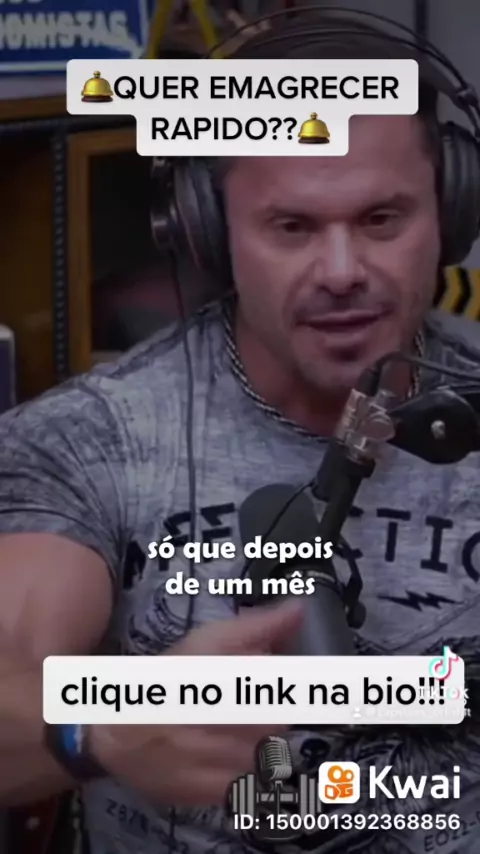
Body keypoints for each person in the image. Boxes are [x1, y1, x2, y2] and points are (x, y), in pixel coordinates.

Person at [2, 13, 480, 854]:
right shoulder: (91, 439)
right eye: (292, 227)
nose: (343, 271)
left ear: (449, 213)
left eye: (381, 219)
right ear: (207, 233)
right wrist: (102, 727)